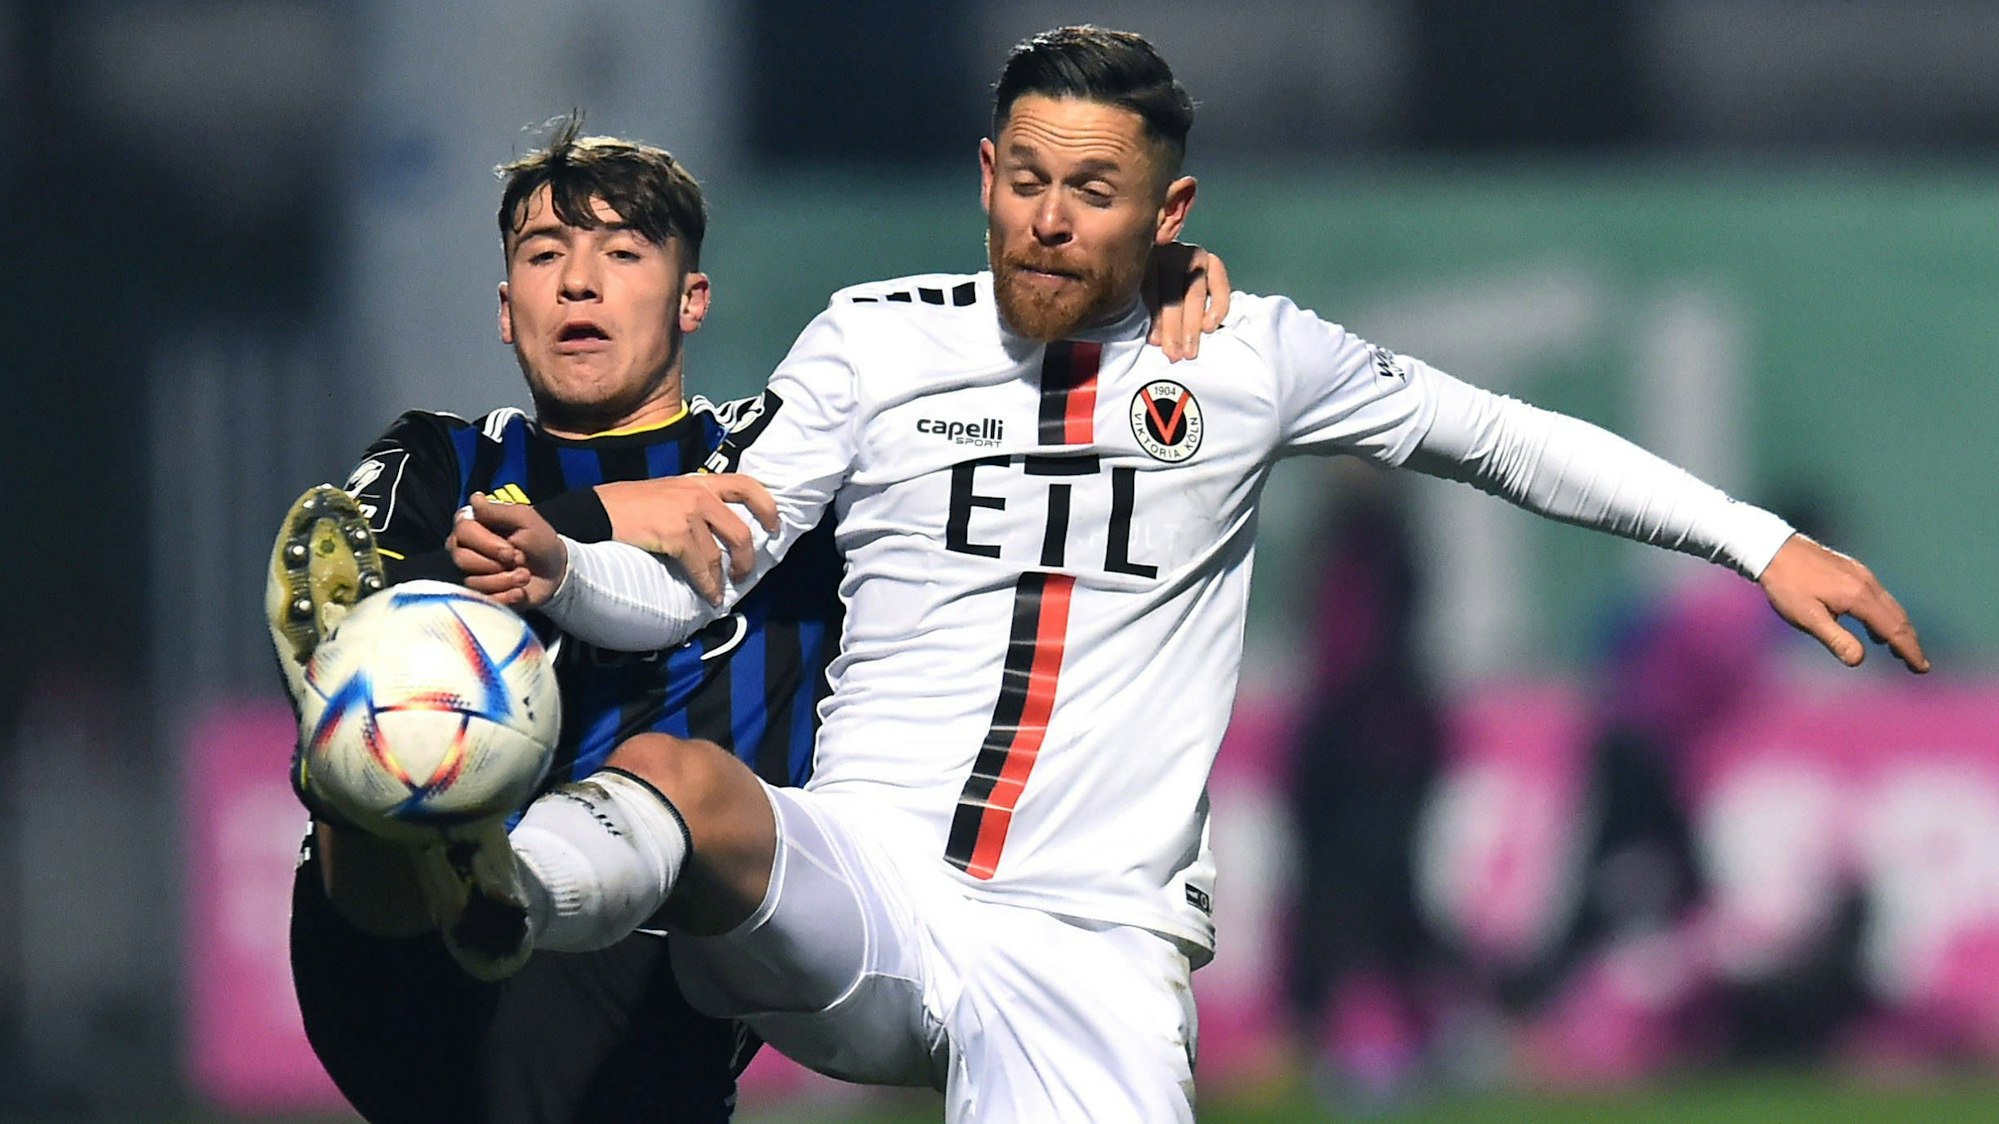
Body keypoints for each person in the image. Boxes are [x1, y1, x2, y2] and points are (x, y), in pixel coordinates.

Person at [422, 26, 1928, 1123]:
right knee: (683, 784)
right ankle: (500, 891)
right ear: (984, 174)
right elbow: (701, 579)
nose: (1047, 219)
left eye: (1092, 188)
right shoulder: (872, 340)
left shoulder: (1255, 357)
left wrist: (1757, 542)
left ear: (1168, 212)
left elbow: (1500, 438)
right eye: (1023, 178)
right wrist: (567, 571)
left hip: (1091, 945)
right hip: (866, 889)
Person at [270, 113, 1230, 1122]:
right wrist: (605, 513)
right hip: (403, 948)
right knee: (382, 686)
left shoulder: (786, 484)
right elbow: (339, 621)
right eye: (544, 256)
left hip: (648, 968)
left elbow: (1018, 425)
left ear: (692, 299)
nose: (579, 283)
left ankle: (507, 871)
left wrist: (1134, 292)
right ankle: (451, 838)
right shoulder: (441, 459)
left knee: (669, 836)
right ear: (508, 311)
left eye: (622, 254)